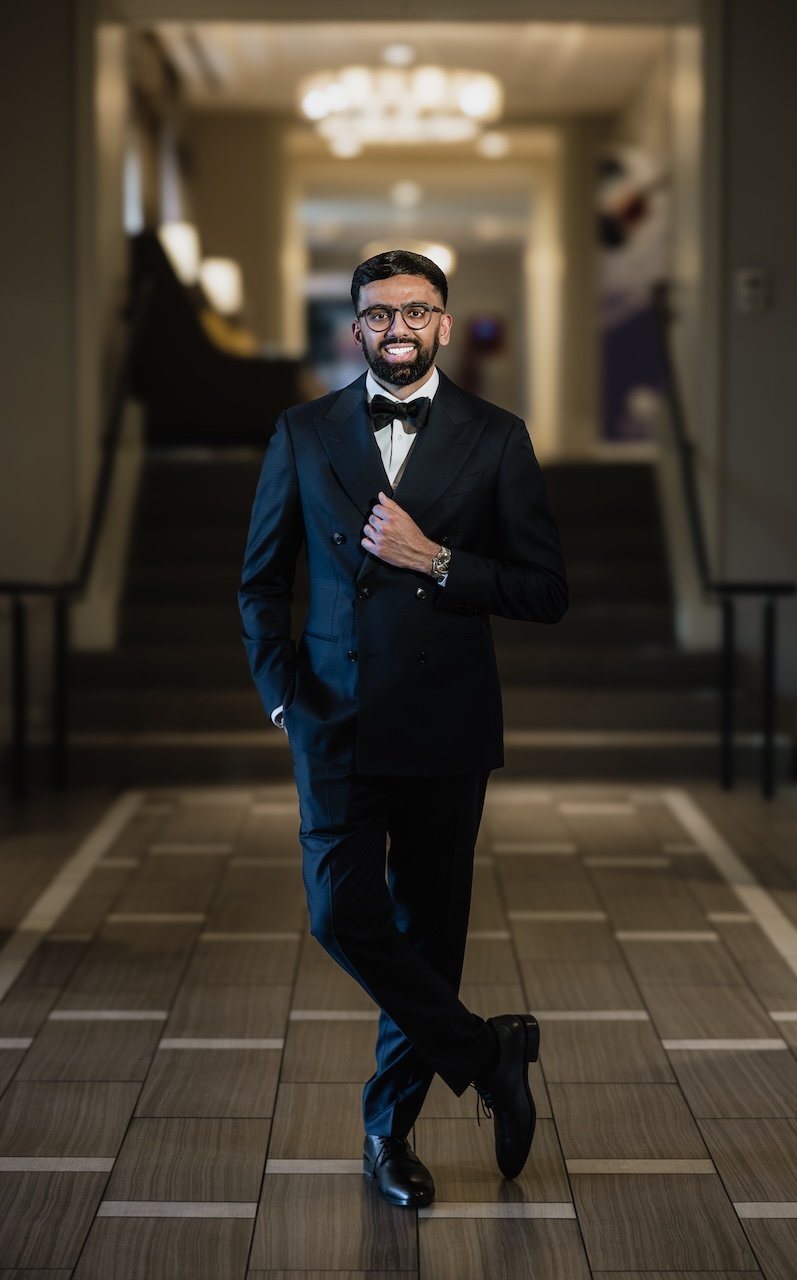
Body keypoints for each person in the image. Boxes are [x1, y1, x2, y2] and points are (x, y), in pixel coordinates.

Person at [238, 249, 568, 1209]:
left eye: (416, 312)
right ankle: (486, 1052)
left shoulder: (497, 436)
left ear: (444, 326)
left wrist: (438, 560)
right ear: (355, 328)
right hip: (333, 716)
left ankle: (390, 1134)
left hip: (444, 720)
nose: (397, 329)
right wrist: (283, 697)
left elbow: (546, 590)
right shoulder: (303, 432)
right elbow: (261, 580)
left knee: (429, 936)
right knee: (339, 914)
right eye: (379, 314)